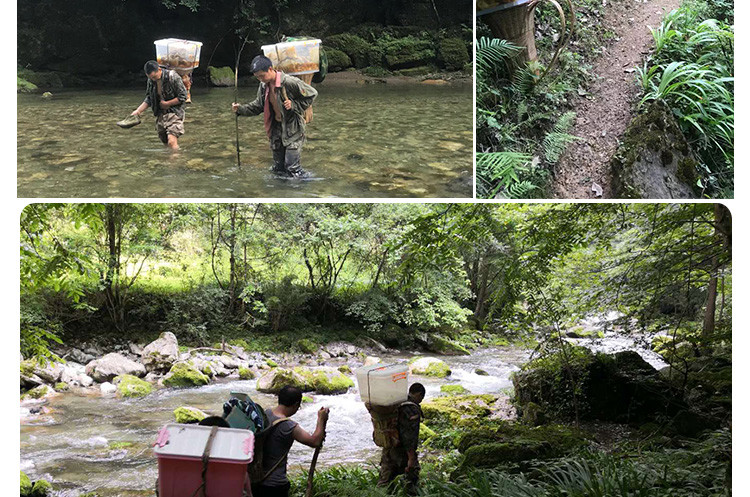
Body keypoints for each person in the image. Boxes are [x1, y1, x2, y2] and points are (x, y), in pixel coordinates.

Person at [232, 55, 318, 178]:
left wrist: (294, 105)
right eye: (257, 77)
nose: (260, 79)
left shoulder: (289, 82)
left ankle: (302, 191)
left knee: (292, 168)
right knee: (278, 168)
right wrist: (240, 109)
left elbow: (312, 94)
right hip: (276, 129)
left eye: (262, 75)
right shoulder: (263, 86)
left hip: (293, 128)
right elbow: (258, 106)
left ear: (271, 69)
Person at [253, 385, 329, 497]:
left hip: (256, 480)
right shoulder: (288, 426)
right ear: (296, 405)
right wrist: (321, 419)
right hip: (275, 484)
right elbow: (314, 441)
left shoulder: (265, 414)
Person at [377, 383, 425, 495]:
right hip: (401, 451)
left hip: (388, 447)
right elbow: (409, 436)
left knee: (385, 481)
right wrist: (411, 458)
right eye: (421, 398)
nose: (421, 401)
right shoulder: (411, 409)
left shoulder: (397, 403)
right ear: (419, 394)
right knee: (411, 481)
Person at [131, 60, 188, 150]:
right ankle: (168, 160)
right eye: (150, 77)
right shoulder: (151, 81)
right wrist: (138, 111)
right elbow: (149, 98)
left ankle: (176, 162)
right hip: (161, 114)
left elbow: (183, 96)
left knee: (171, 141)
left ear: (159, 69)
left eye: (154, 76)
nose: (153, 79)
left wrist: (168, 103)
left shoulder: (173, 77)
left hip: (174, 113)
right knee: (165, 143)